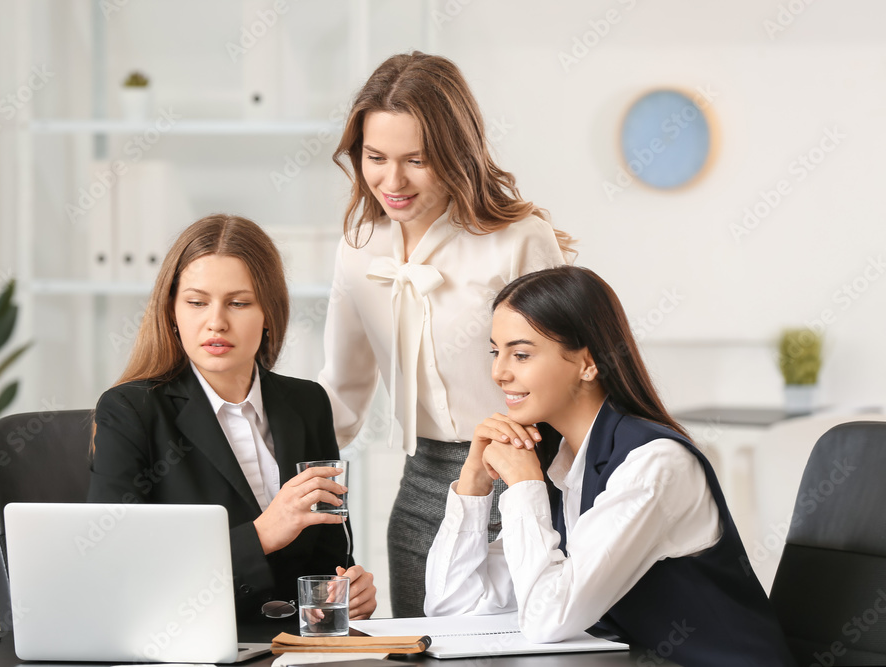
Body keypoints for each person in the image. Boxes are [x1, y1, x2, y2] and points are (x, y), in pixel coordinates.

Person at [423, 266, 794, 666]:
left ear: (588, 363)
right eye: (496, 352)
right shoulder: (563, 463)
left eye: (522, 354)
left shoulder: (654, 465)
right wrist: (473, 485)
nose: (499, 373)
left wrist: (524, 486)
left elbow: (547, 618)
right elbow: (451, 606)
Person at [318, 51, 574, 617]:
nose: (392, 180)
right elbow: (342, 391)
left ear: (456, 154)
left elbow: (570, 375)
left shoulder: (518, 239)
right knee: (420, 648)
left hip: (525, 470)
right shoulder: (359, 251)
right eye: (375, 157)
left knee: (528, 650)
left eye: (417, 160)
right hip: (422, 483)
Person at [89, 214, 377, 622]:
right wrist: (260, 536)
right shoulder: (130, 411)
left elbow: (330, 554)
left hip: (295, 649)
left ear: (269, 314)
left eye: (239, 303)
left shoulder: (307, 402)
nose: (216, 322)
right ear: (172, 312)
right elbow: (118, 566)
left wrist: (344, 592)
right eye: (196, 302)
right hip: (187, 645)